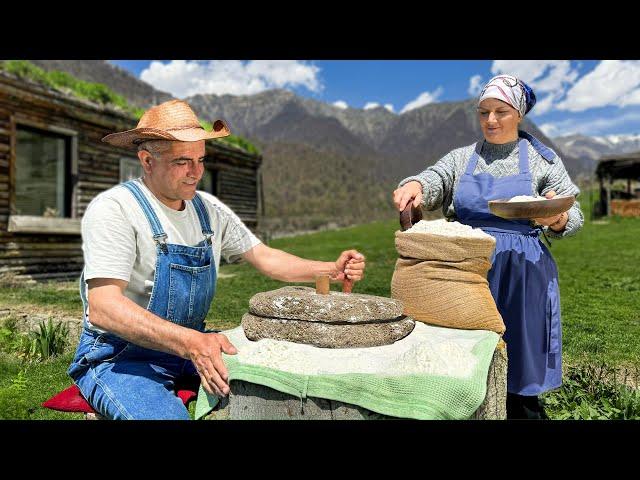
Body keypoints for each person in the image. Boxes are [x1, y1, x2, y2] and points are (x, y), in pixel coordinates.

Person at [67, 100, 365, 420]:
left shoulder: (207, 211)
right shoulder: (116, 209)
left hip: (187, 350)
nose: (196, 172)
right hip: (121, 358)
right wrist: (191, 343)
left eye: (200, 160)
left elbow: (265, 257)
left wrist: (329, 270)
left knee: (277, 376)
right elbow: (104, 307)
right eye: (183, 161)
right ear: (147, 161)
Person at [393, 74, 583, 419]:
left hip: (524, 273)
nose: (491, 121)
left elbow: (573, 213)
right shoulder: (462, 158)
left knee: (521, 370)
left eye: (501, 112)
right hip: (466, 270)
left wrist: (556, 217)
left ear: (519, 114)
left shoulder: (543, 159)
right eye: (484, 112)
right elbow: (435, 178)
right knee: (464, 361)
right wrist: (416, 184)